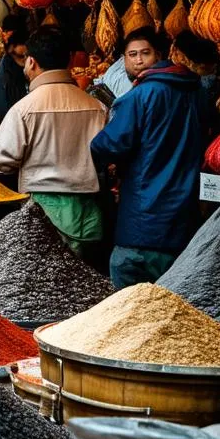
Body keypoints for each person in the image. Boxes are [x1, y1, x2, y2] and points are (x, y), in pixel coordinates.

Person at [90, 29, 206, 287]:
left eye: (145, 53)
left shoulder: (140, 95)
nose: (139, 60)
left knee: (126, 292)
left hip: (143, 219)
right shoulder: (197, 91)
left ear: (160, 55)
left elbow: (108, 145)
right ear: (124, 59)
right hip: (184, 213)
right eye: (133, 55)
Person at [0, 28, 108, 254]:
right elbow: (108, 158)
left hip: (42, 211)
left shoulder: (24, 109)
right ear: (70, 61)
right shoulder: (97, 107)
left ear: (31, 62)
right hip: (88, 212)